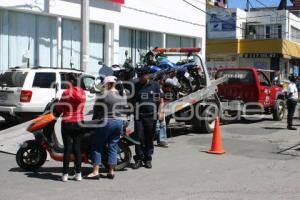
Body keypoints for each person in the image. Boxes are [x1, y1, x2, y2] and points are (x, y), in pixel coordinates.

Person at [87, 76, 127, 180]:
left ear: (108, 84)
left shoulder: (104, 94)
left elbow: (97, 108)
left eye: (104, 84)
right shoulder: (123, 94)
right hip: (119, 122)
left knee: (97, 146)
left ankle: (96, 171)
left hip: (106, 122)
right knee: (113, 146)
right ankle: (111, 171)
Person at [131, 67, 164, 169]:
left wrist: (161, 112)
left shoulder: (154, 85)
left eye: (141, 76)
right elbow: (131, 101)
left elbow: (161, 101)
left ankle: (148, 159)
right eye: (138, 76)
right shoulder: (136, 86)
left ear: (147, 75)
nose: (139, 78)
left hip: (151, 116)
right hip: (139, 116)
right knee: (138, 138)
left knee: (149, 138)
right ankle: (139, 159)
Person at [56, 73, 86, 182]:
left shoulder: (66, 93)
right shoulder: (82, 92)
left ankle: (65, 175)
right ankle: (78, 174)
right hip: (79, 122)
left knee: (67, 149)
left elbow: (59, 108)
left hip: (67, 122)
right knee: (77, 149)